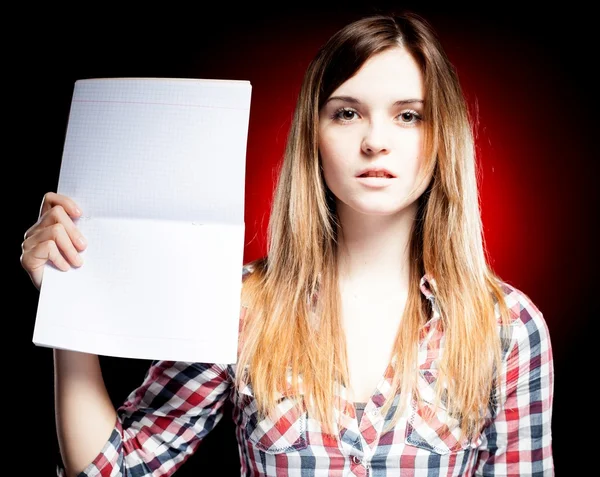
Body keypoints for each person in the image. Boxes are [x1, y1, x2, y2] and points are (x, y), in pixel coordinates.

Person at [20, 11, 554, 477]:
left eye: (407, 115)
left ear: (442, 138)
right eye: (347, 112)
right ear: (313, 135)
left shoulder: (507, 327)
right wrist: (69, 302)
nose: (375, 140)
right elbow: (116, 468)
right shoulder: (239, 308)